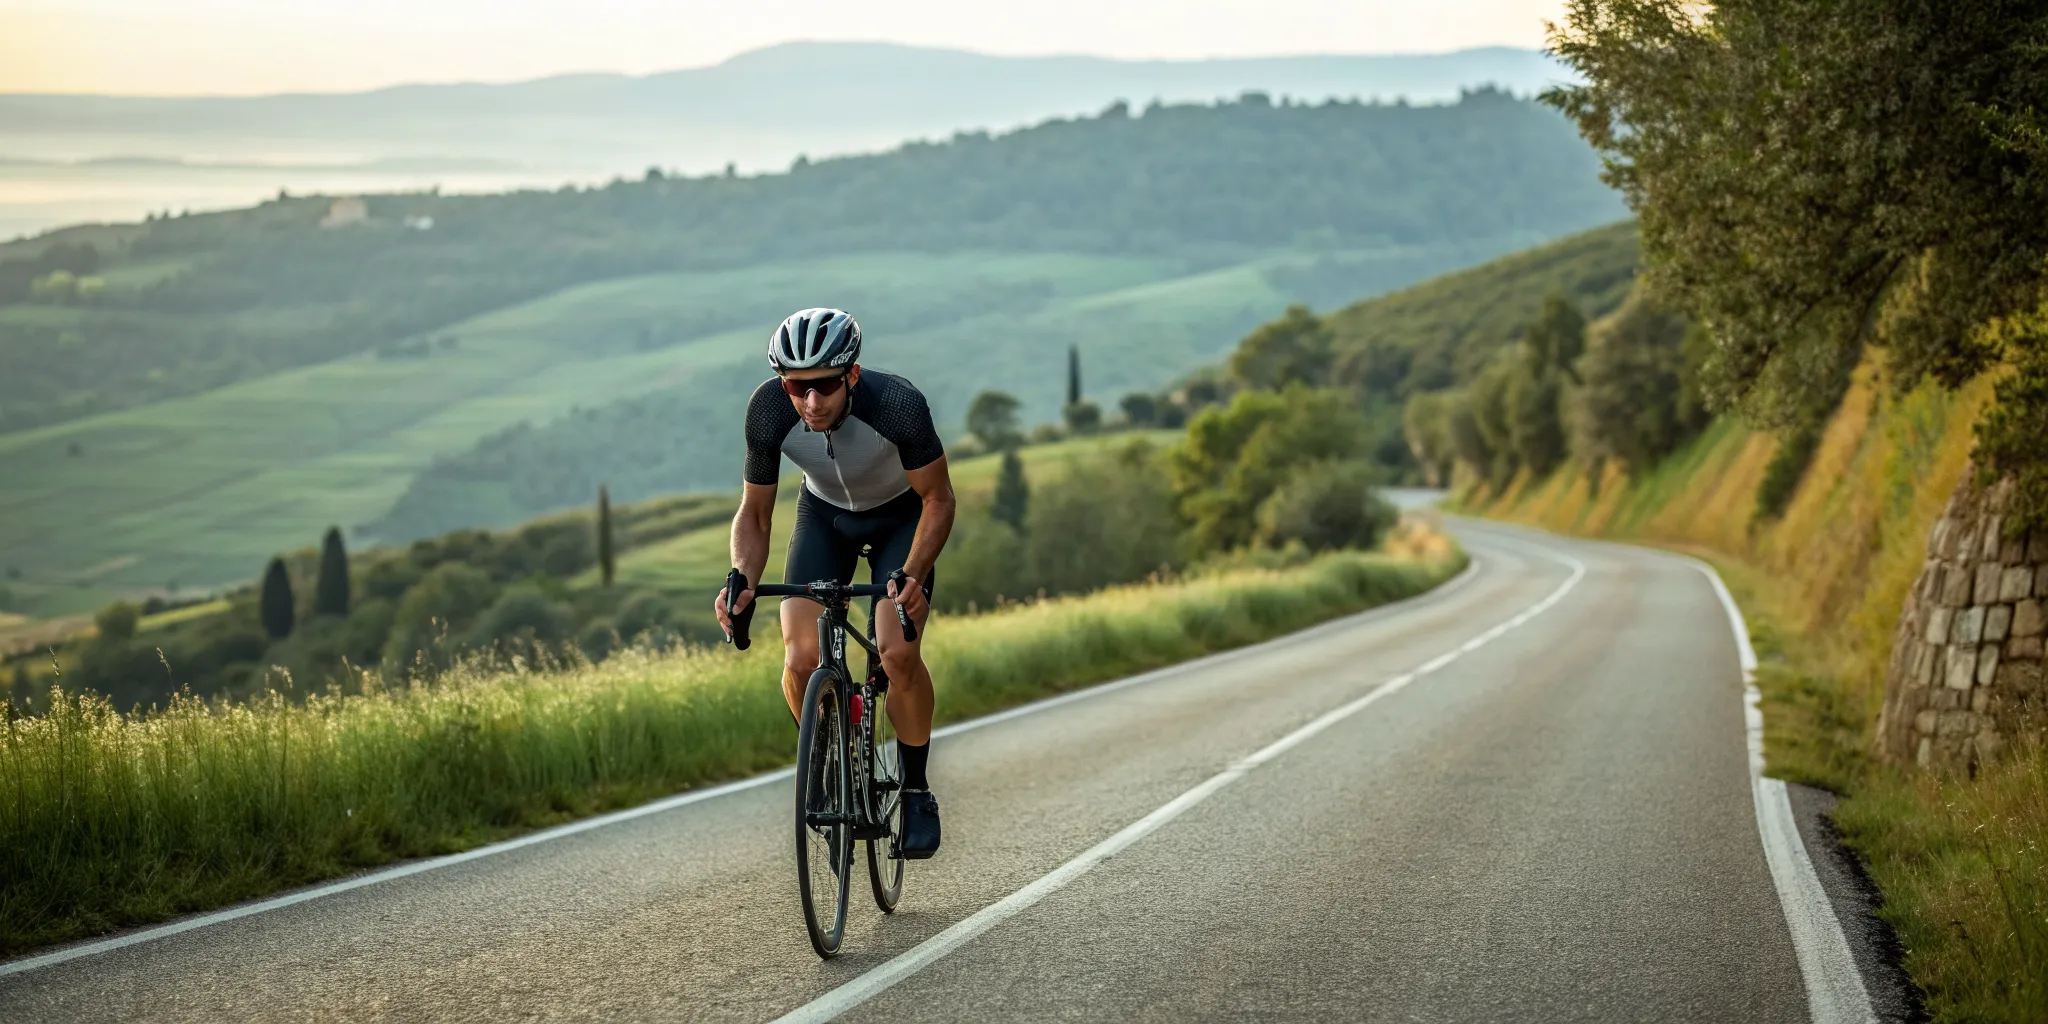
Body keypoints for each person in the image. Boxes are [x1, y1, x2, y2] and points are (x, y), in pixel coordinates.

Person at [714, 307, 955, 859]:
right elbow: (754, 514)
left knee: (895, 652)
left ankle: (916, 789)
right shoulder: (769, 411)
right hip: (825, 518)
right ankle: (835, 756)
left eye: (823, 386)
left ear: (851, 374)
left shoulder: (897, 405)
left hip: (901, 521)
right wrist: (740, 580)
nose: (810, 403)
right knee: (800, 656)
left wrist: (913, 575)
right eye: (797, 387)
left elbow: (939, 500)